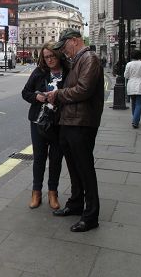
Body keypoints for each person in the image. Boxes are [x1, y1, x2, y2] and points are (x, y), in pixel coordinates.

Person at [46, 28, 104, 233]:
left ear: (75, 40)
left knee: (85, 169)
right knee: (74, 168)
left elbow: (84, 90)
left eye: (65, 46)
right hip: (70, 121)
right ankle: (76, 203)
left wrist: (58, 94)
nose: (64, 51)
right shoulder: (77, 60)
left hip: (82, 123)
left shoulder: (90, 59)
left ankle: (91, 216)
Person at [22, 42, 68, 210]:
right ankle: (36, 192)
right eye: (46, 57)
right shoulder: (39, 72)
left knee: (56, 159)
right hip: (38, 122)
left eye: (52, 56)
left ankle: (52, 193)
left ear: (58, 56)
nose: (49, 60)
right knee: (39, 159)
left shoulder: (68, 72)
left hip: (59, 123)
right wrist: (37, 97)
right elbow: (25, 92)